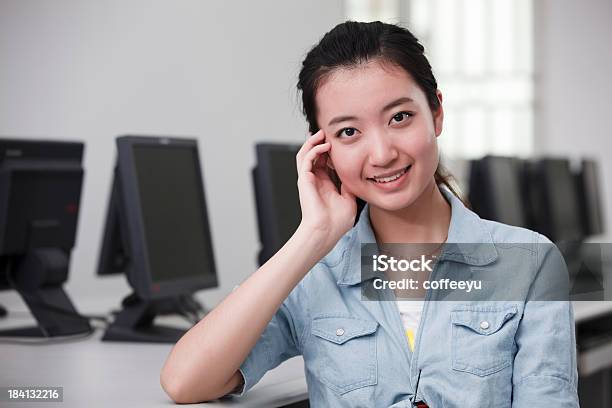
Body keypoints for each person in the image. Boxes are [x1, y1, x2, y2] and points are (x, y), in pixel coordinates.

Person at [160, 21, 579, 407]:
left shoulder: (529, 262)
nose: (381, 154)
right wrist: (313, 235)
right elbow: (185, 381)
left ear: (436, 112)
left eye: (400, 117)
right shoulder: (317, 275)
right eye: (348, 132)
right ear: (323, 149)